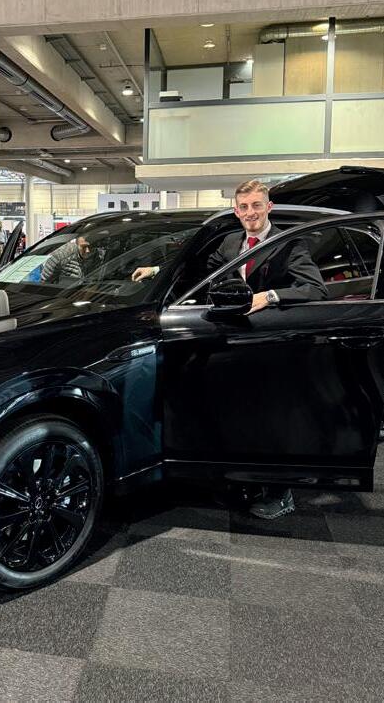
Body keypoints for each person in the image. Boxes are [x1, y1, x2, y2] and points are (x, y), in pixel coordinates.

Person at [133, 179, 327, 519]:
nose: (250, 213)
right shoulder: (230, 242)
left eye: (256, 205)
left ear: (269, 207)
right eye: (244, 207)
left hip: (272, 343)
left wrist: (269, 297)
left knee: (273, 420)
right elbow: (199, 273)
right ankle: (246, 479)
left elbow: (315, 289)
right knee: (242, 416)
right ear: (236, 211)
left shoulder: (289, 243)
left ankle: (281, 493)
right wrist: (158, 271)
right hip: (232, 342)